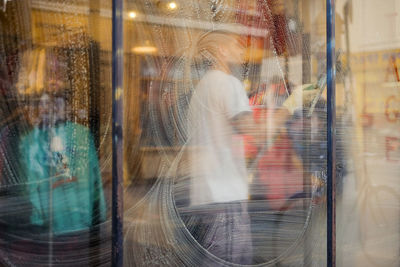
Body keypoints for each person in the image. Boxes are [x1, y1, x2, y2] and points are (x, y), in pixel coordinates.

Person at [17, 90, 106, 265]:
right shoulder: (33, 141)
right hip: (70, 221)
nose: (48, 109)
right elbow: (31, 184)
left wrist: (38, 219)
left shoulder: (34, 141)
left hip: (63, 223)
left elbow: (30, 186)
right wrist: (100, 212)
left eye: (55, 104)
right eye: (43, 104)